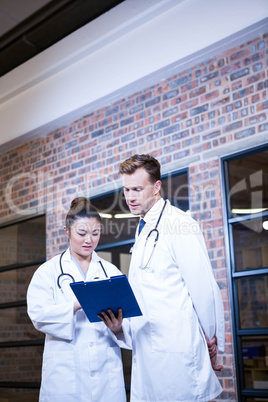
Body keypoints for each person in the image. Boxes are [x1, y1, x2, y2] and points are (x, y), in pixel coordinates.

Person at [100, 154, 225, 402]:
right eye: (126, 189)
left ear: (157, 187)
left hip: (176, 352)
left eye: (137, 189)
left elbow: (202, 288)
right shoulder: (144, 228)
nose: (130, 197)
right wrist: (121, 328)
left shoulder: (179, 224)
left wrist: (210, 338)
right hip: (149, 351)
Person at [27, 197, 126, 402]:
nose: (89, 240)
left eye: (95, 233)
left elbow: (130, 317)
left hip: (106, 378)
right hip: (65, 376)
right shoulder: (48, 272)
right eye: (81, 233)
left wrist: (118, 328)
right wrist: (76, 305)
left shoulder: (111, 272)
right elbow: (38, 314)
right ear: (67, 231)